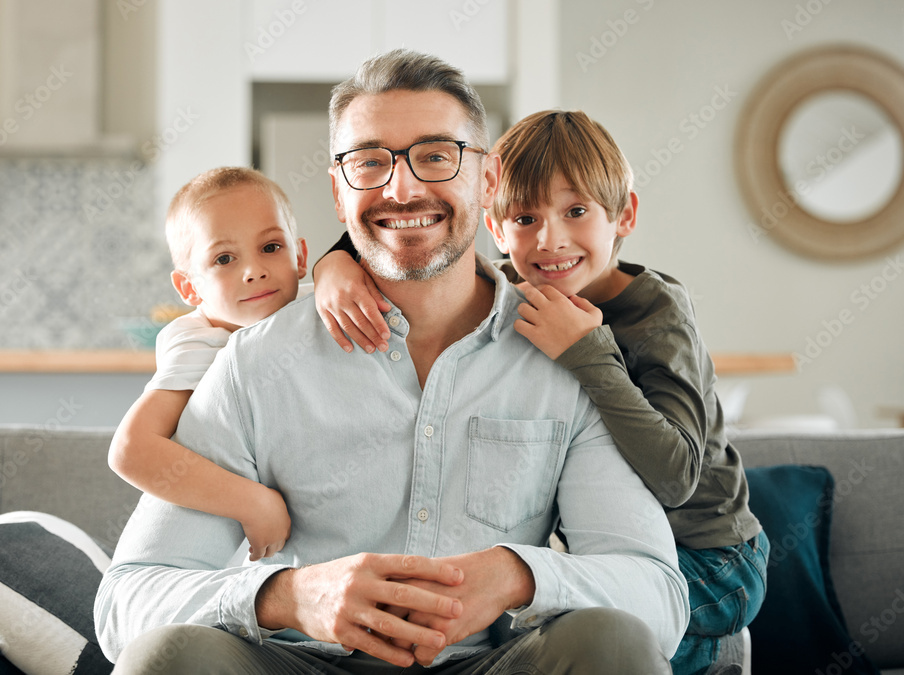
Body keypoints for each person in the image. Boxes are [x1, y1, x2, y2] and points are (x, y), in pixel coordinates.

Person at [96, 51, 687, 674]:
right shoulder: (256, 364)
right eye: (369, 162)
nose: (401, 190)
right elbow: (125, 603)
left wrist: (520, 575)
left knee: (612, 644)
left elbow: (658, 598)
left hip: (492, 663)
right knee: (170, 655)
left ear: (486, 183)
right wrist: (287, 596)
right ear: (337, 189)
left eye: (436, 156)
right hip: (303, 663)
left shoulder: (567, 356)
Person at [314, 109, 768, 674]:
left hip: (708, 558)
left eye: (576, 211)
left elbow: (676, 477)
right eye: (525, 217)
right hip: (590, 546)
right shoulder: (510, 291)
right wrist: (335, 263)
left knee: (588, 627)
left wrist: (588, 352)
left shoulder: (658, 314)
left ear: (623, 214)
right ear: (495, 227)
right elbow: (415, 249)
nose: (549, 240)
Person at [108, 167, 306, 561]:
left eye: (271, 247)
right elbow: (131, 450)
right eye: (224, 258)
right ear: (188, 287)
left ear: (300, 256)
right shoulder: (202, 343)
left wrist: (339, 267)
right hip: (228, 548)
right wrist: (254, 504)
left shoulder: (304, 309)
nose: (254, 271)